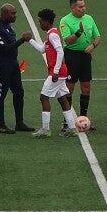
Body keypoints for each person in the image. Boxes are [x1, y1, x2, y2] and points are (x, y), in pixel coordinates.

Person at [22, 7, 77, 136]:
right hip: (60, 72)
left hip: (57, 72)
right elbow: (42, 49)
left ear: (46, 21)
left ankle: (46, 129)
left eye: (40, 21)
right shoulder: (51, 34)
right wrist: (30, 40)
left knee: (44, 97)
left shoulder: (52, 35)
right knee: (62, 98)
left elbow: (60, 51)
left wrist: (56, 72)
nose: (39, 23)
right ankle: (72, 128)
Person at [57, 0, 101, 124]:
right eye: (80, 7)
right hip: (72, 56)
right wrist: (78, 32)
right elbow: (67, 41)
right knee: (69, 87)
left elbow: (98, 36)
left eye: (84, 6)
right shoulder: (65, 20)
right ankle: (67, 121)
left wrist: (93, 45)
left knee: (86, 87)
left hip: (85, 56)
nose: (83, 8)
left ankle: (83, 118)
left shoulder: (89, 18)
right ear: (73, 8)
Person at [0, 4, 30, 133]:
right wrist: (23, 40)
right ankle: (1, 125)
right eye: (12, 13)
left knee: (19, 91)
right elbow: (5, 48)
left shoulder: (8, 26)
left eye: (15, 13)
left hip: (13, 63)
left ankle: (19, 123)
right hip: (2, 64)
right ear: (4, 14)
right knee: (1, 93)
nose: (15, 16)